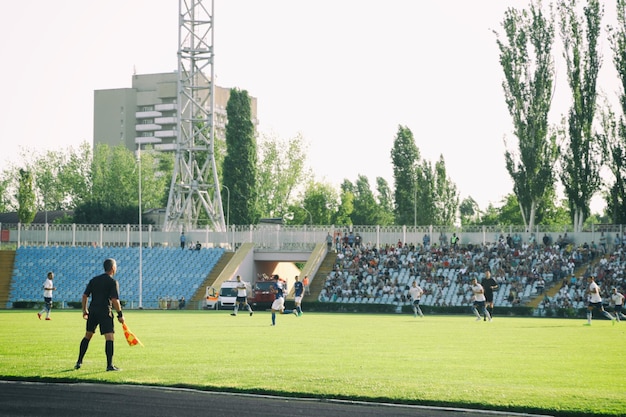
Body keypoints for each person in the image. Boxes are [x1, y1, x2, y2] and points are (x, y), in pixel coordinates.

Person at [74, 258, 125, 371]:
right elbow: (114, 300)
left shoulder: (94, 280)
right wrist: (120, 314)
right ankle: (109, 365)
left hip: (93, 311)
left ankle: (79, 361)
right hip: (104, 311)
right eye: (115, 266)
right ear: (113, 268)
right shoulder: (112, 282)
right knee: (109, 337)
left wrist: (84, 310)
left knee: (88, 335)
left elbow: (84, 296)